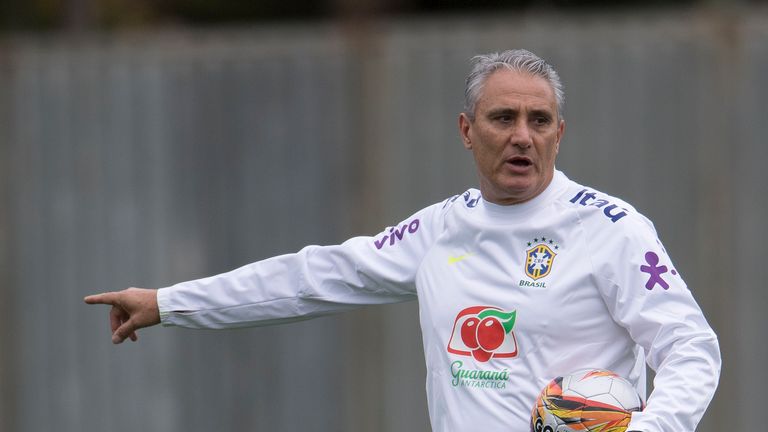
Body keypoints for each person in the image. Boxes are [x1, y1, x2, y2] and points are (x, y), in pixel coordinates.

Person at [85, 49, 721, 431]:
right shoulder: (441, 230)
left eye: (539, 120)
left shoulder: (612, 229)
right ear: (468, 131)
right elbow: (312, 278)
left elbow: (691, 345)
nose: (522, 135)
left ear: (560, 132)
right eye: (504, 118)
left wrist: (649, 427)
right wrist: (170, 302)